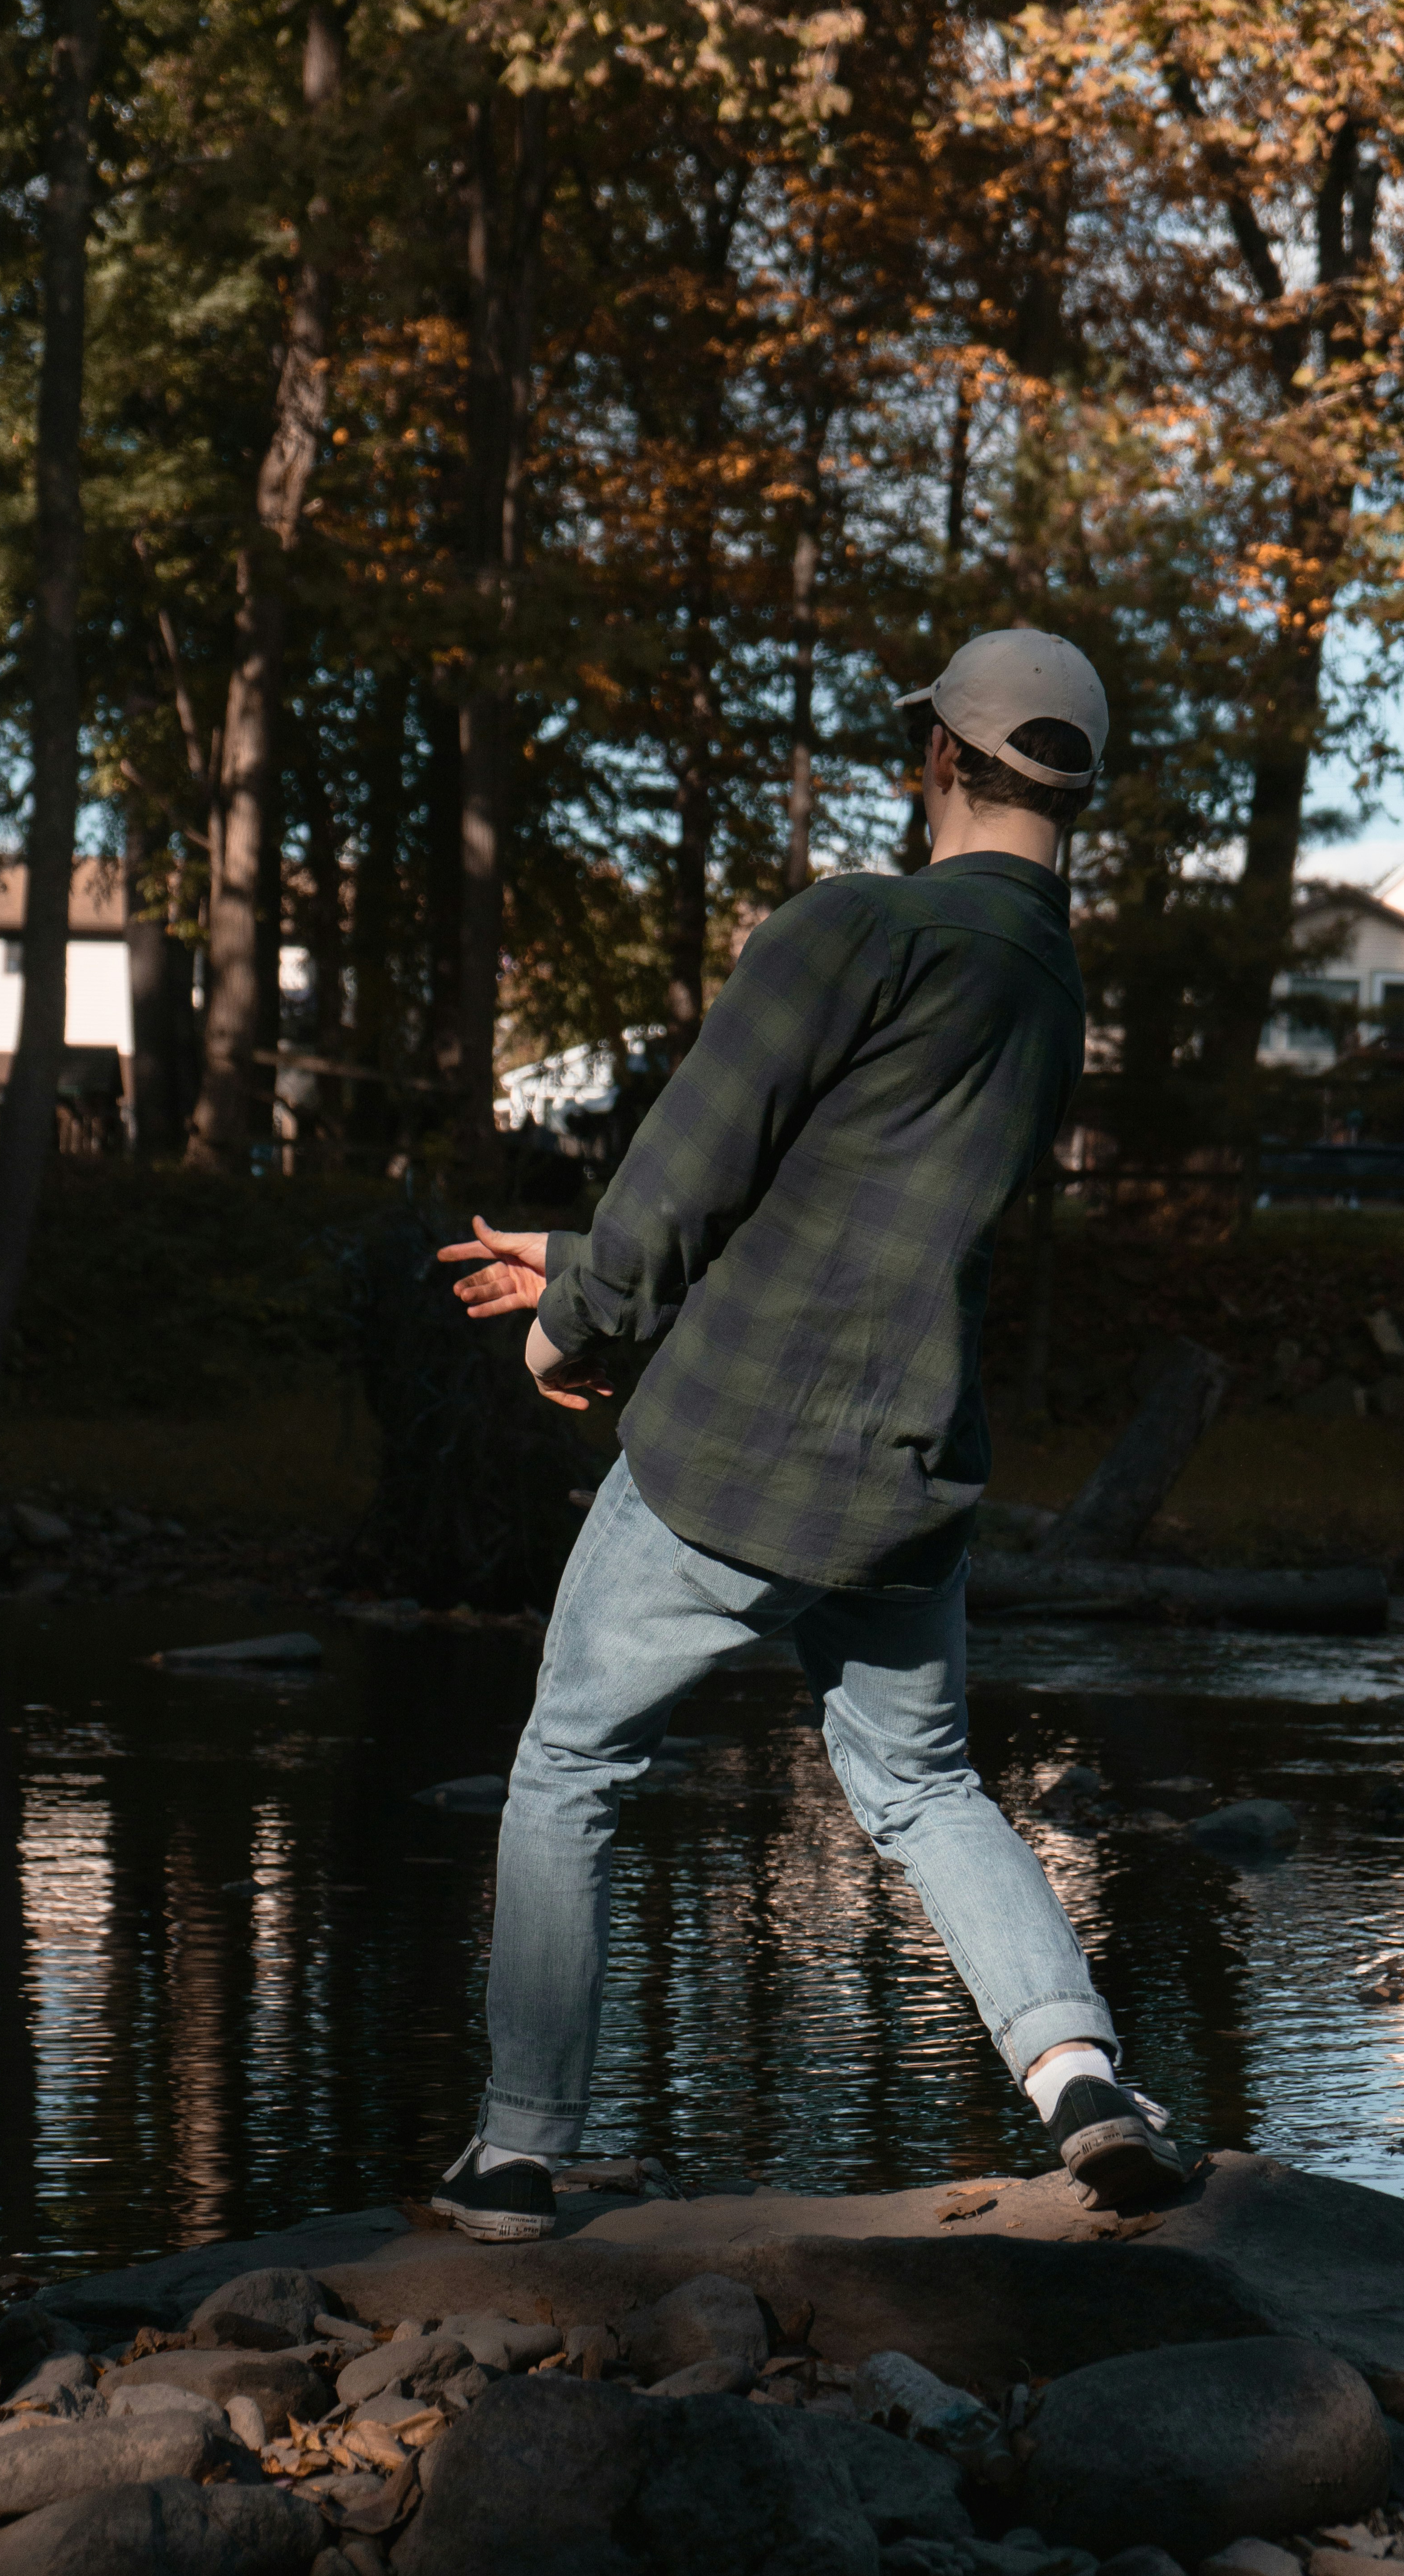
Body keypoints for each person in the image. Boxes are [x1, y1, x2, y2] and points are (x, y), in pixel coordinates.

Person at [431, 626, 1188, 2240]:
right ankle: (1082, 2084)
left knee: (568, 1764)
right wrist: (576, 1259)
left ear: (936, 758)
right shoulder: (1042, 982)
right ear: (1078, 794)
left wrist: (580, 1320)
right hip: (904, 1461)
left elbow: (704, 1153)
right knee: (922, 1783)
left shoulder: (854, 925)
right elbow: (847, 1202)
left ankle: (515, 2154)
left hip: (729, 1453)